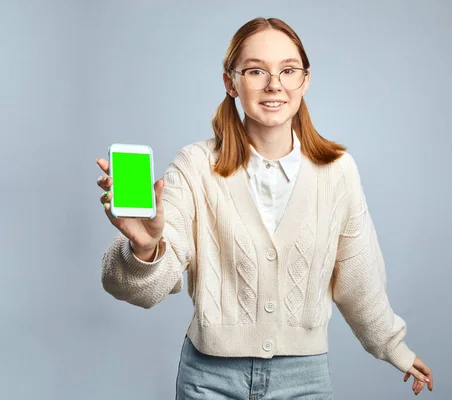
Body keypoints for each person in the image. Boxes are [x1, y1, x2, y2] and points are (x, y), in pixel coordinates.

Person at [96, 17, 433, 399]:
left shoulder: (338, 173)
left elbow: (360, 279)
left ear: (305, 80)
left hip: (304, 380)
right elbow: (142, 288)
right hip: (210, 378)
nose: (275, 85)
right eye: (256, 70)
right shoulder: (194, 166)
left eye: (288, 70)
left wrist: (395, 348)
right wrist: (145, 248)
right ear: (231, 82)